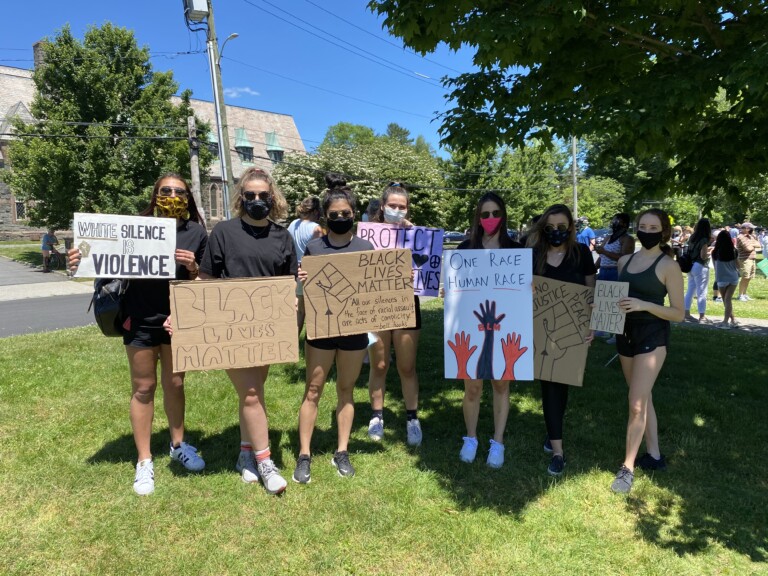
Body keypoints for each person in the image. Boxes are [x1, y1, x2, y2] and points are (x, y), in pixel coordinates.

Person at [68, 173, 208, 496]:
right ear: (155, 195)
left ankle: (177, 444)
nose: (172, 195)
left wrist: (194, 269)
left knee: (175, 383)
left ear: (188, 197)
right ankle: (144, 459)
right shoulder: (135, 226)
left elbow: (204, 281)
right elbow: (99, 256)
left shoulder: (196, 233)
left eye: (179, 191)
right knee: (143, 387)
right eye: (166, 190)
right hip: (139, 317)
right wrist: (79, 258)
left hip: (178, 319)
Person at [198, 167, 296, 495]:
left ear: (273, 198)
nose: (257, 200)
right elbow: (206, 280)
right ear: (241, 197)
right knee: (252, 394)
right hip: (232, 329)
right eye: (250, 195)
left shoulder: (283, 237)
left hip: (267, 329)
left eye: (263, 195)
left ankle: (244, 455)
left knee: (253, 392)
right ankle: (266, 463)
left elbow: (288, 284)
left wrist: (296, 296)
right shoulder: (224, 232)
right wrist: (184, 314)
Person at [293, 175, 374, 484]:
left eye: (346, 213)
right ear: (325, 216)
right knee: (312, 390)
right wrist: (301, 278)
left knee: (346, 390)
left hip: (354, 331)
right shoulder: (314, 248)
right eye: (335, 214)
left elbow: (373, 289)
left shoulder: (366, 247)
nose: (341, 218)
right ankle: (304, 454)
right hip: (321, 330)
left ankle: (342, 450)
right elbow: (305, 292)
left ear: (353, 213)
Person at [611, 208, 684, 494]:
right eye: (643, 226)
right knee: (643, 397)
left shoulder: (669, 265)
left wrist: (644, 305)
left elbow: (678, 313)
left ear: (663, 231)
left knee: (637, 403)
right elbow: (618, 299)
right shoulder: (625, 262)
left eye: (653, 227)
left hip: (653, 335)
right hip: (625, 334)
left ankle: (627, 468)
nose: (647, 231)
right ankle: (654, 456)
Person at [526, 204, 596, 475]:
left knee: (561, 385)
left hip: (573, 329)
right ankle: (558, 451)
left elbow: (590, 293)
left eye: (562, 227)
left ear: (571, 228)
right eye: (550, 227)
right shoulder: (534, 255)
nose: (556, 232)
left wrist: (592, 325)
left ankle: (552, 431)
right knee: (550, 385)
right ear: (543, 229)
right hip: (541, 329)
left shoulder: (582, 255)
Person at [455, 192, 523, 469]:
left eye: (496, 213)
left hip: (507, 321)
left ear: (503, 216)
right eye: (485, 214)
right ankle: (470, 438)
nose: (491, 219)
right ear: (478, 218)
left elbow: (523, 289)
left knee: (501, 383)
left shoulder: (515, 250)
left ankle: (498, 441)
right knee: (472, 386)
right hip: (471, 321)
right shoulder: (464, 249)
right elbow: (456, 289)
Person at [366, 182, 423, 447]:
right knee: (379, 364)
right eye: (393, 206)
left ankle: (412, 418)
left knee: (407, 366)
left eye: (402, 207)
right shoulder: (367, 235)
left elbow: (426, 272)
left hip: (406, 304)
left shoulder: (417, 236)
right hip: (376, 305)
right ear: (383, 206)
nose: (397, 211)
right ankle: (377, 416)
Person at [287, 196, 323, 335]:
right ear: (315, 211)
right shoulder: (316, 228)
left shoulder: (293, 223)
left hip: (293, 269)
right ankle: (297, 341)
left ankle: (292, 340)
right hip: (308, 271)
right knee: (306, 309)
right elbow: (317, 252)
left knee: (296, 305)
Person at [683, 218, 712, 323]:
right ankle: (702, 316)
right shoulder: (704, 239)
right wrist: (710, 252)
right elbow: (703, 256)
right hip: (700, 266)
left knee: (690, 290)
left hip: (691, 265)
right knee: (702, 291)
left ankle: (686, 313)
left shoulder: (692, 238)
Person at [711, 230, 739, 328]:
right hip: (733, 277)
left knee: (726, 300)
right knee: (728, 300)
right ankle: (733, 320)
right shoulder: (734, 251)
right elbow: (738, 265)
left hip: (721, 278)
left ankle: (725, 322)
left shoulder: (715, 252)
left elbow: (715, 267)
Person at [736, 222, 761, 301]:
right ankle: (740, 295)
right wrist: (753, 245)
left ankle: (744, 294)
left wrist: (752, 244)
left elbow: (759, 245)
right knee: (745, 277)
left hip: (752, 259)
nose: (751, 229)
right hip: (745, 259)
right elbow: (748, 249)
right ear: (745, 229)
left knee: (749, 277)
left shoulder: (750, 236)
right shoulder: (740, 237)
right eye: (750, 228)